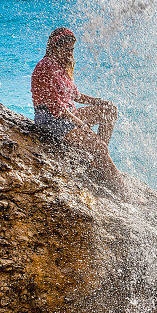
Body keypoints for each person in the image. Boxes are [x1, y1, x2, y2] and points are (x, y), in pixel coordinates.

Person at [31, 27, 122, 193]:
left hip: (67, 116)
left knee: (109, 110)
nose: (69, 53)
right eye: (66, 49)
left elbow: (74, 94)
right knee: (99, 147)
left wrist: (98, 101)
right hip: (51, 120)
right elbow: (57, 106)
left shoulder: (61, 66)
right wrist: (81, 125)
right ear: (55, 47)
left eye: (71, 49)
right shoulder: (46, 66)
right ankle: (123, 190)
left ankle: (97, 160)